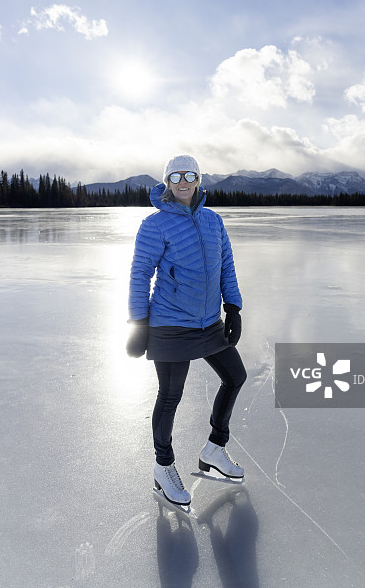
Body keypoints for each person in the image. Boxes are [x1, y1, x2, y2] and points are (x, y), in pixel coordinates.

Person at [126, 154, 247, 507]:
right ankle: (164, 468)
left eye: (189, 175)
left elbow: (226, 265)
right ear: (167, 181)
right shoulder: (155, 224)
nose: (183, 181)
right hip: (170, 323)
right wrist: (138, 323)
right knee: (171, 395)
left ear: (198, 180)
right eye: (175, 176)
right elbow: (139, 275)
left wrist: (233, 307)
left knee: (235, 377)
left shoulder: (213, 220)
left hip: (209, 322)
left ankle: (214, 449)